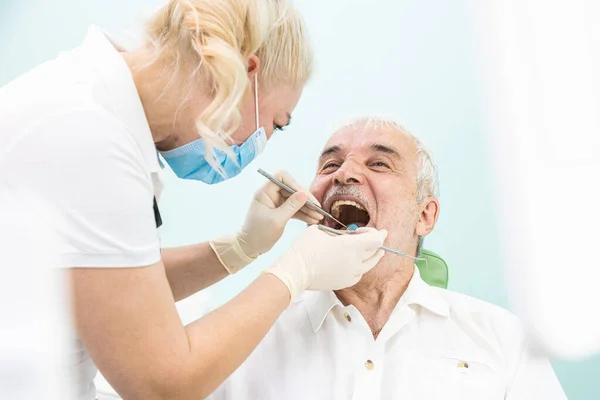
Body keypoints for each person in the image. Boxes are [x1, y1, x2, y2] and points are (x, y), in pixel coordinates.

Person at [0, 2, 388, 399]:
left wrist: (239, 249)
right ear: (243, 74)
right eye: (276, 123)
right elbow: (162, 383)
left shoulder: (91, 106)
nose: (264, 143)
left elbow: (117, 287)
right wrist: (296, 271)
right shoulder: (91, 138)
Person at [207, 116, 567, 400]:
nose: (344, 173)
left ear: (424, 216)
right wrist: (243, 248)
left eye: (379, 164)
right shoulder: (245, 342)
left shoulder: (503, 338)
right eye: (329, 165)